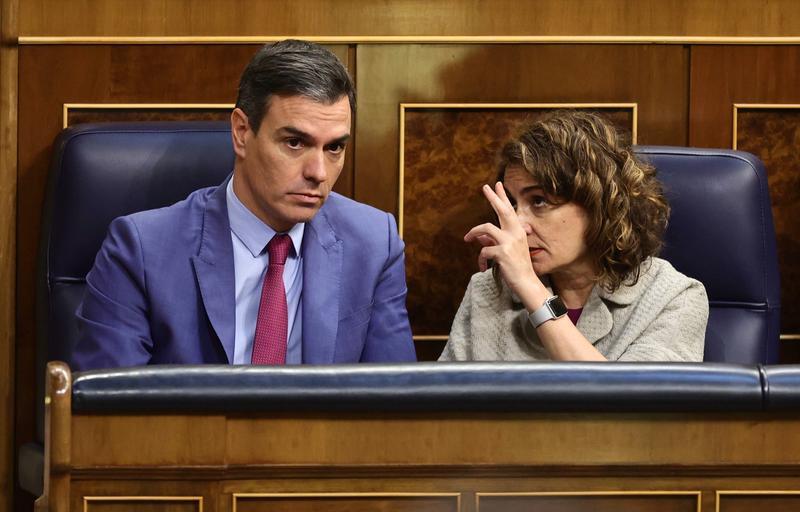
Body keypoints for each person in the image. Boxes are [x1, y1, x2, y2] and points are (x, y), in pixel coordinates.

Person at [72, 39, 416, 370]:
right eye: (295, 143)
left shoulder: (374, 244)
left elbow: (396, 400)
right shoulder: (141, 250)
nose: (318, 172)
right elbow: (108, 404)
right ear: (241, 132)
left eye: (334, 148)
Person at [439, 111, 708, 362]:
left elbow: (627, 396)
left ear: (599, 205)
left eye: (539, 201)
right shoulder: (488, 289)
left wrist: (532, 290)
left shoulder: (672, 297)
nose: (517, 226)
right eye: (512, 203)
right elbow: (445, 395)